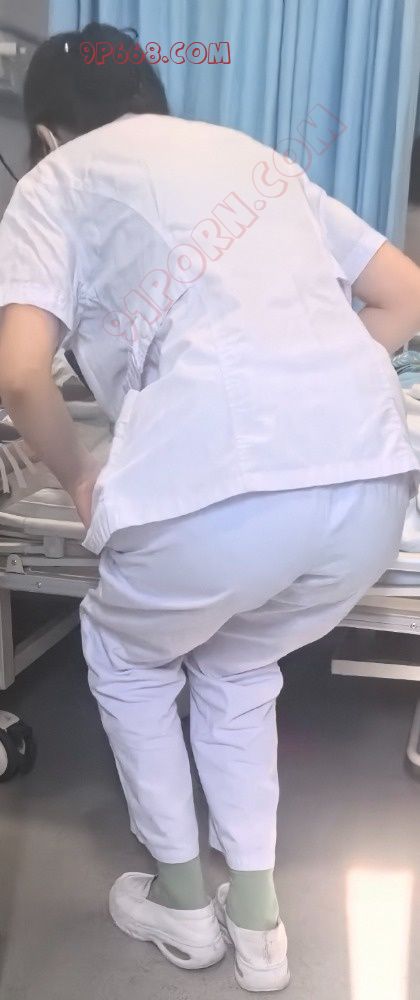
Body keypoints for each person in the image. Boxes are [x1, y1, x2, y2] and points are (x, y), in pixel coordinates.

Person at [0, 21, 420, 993]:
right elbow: (404, 296)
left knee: (127, 656)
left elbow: (20, 375)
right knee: (237, 664)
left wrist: (79, 475)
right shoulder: (257, 161)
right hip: (370, 487)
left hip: (225, 494)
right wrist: (317, 394)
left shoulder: (55, 180)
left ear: (50, 129)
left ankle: (184, 901)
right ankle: (260, 925)